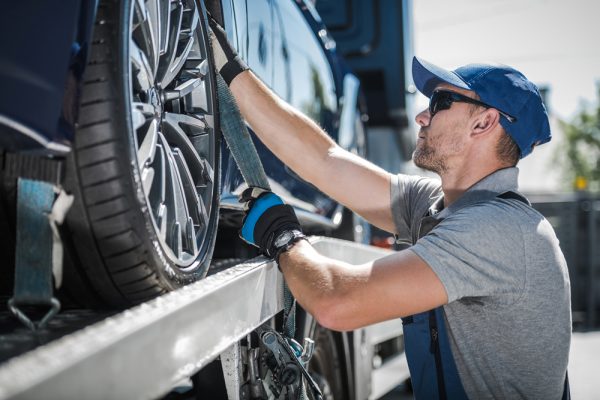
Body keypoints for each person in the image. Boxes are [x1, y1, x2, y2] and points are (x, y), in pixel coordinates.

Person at [208, 17, 571, 400]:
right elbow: (326, 160)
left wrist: (282, 236)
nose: (421, 115)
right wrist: (233, 71)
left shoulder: (499, 231)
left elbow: (337, 302)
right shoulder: (440, 205)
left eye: (441, 102)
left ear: (484, 122)